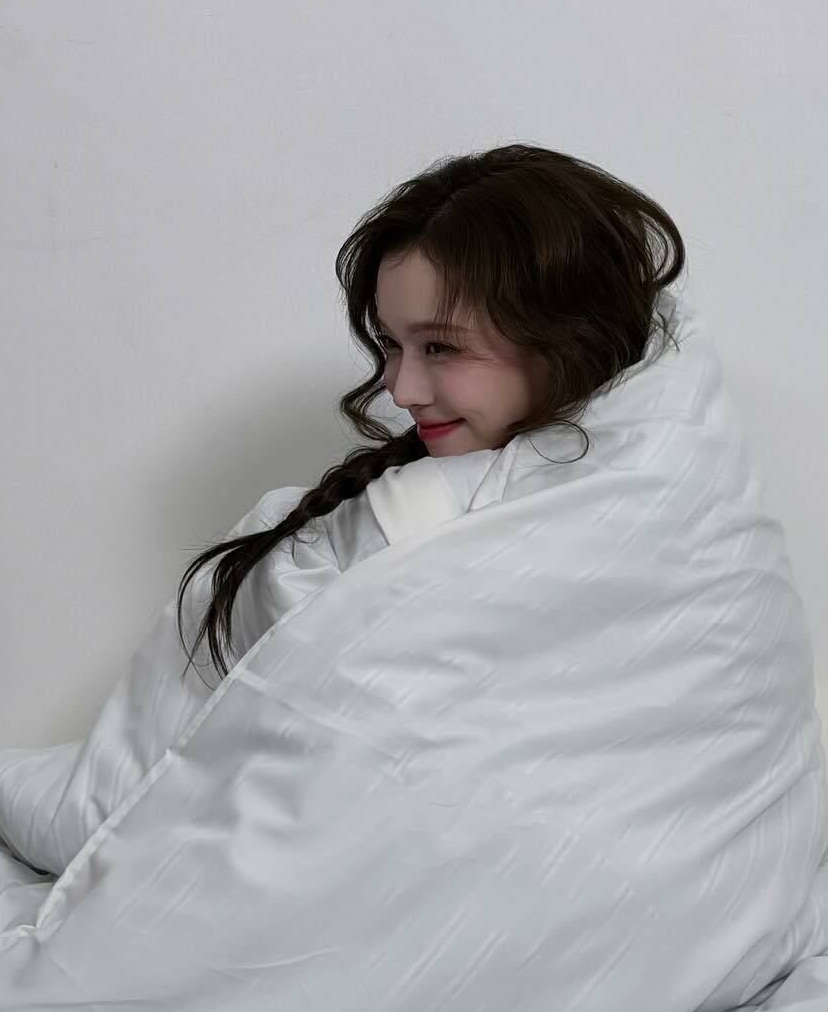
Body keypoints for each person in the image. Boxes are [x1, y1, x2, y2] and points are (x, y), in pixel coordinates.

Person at [175, 141, 687, 680]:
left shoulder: (659, 512)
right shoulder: (369, 533)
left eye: (441, 347)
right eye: (390, 344)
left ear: (567, 341)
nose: (401, 391)